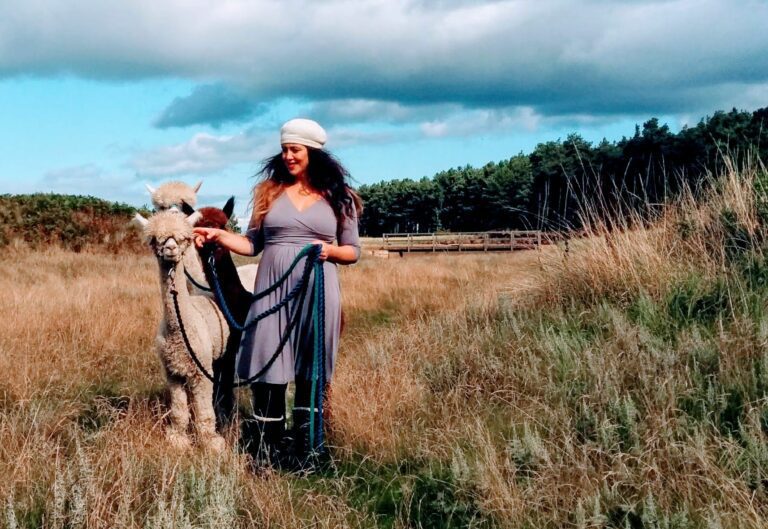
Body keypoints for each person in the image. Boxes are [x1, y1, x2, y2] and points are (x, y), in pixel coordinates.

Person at [193, 118, 361, 469]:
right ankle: (268, 449)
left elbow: (352, 251)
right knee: (267, 360)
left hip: (318, 286)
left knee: (310, 365)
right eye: (284, 149)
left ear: (313, 152)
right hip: (272, 287)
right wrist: (220, 236)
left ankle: (309, 449)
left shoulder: (338, 197)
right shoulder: (269, 192)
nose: (288, 156)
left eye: (295, 150)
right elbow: (252, 243)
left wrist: (328, 251)